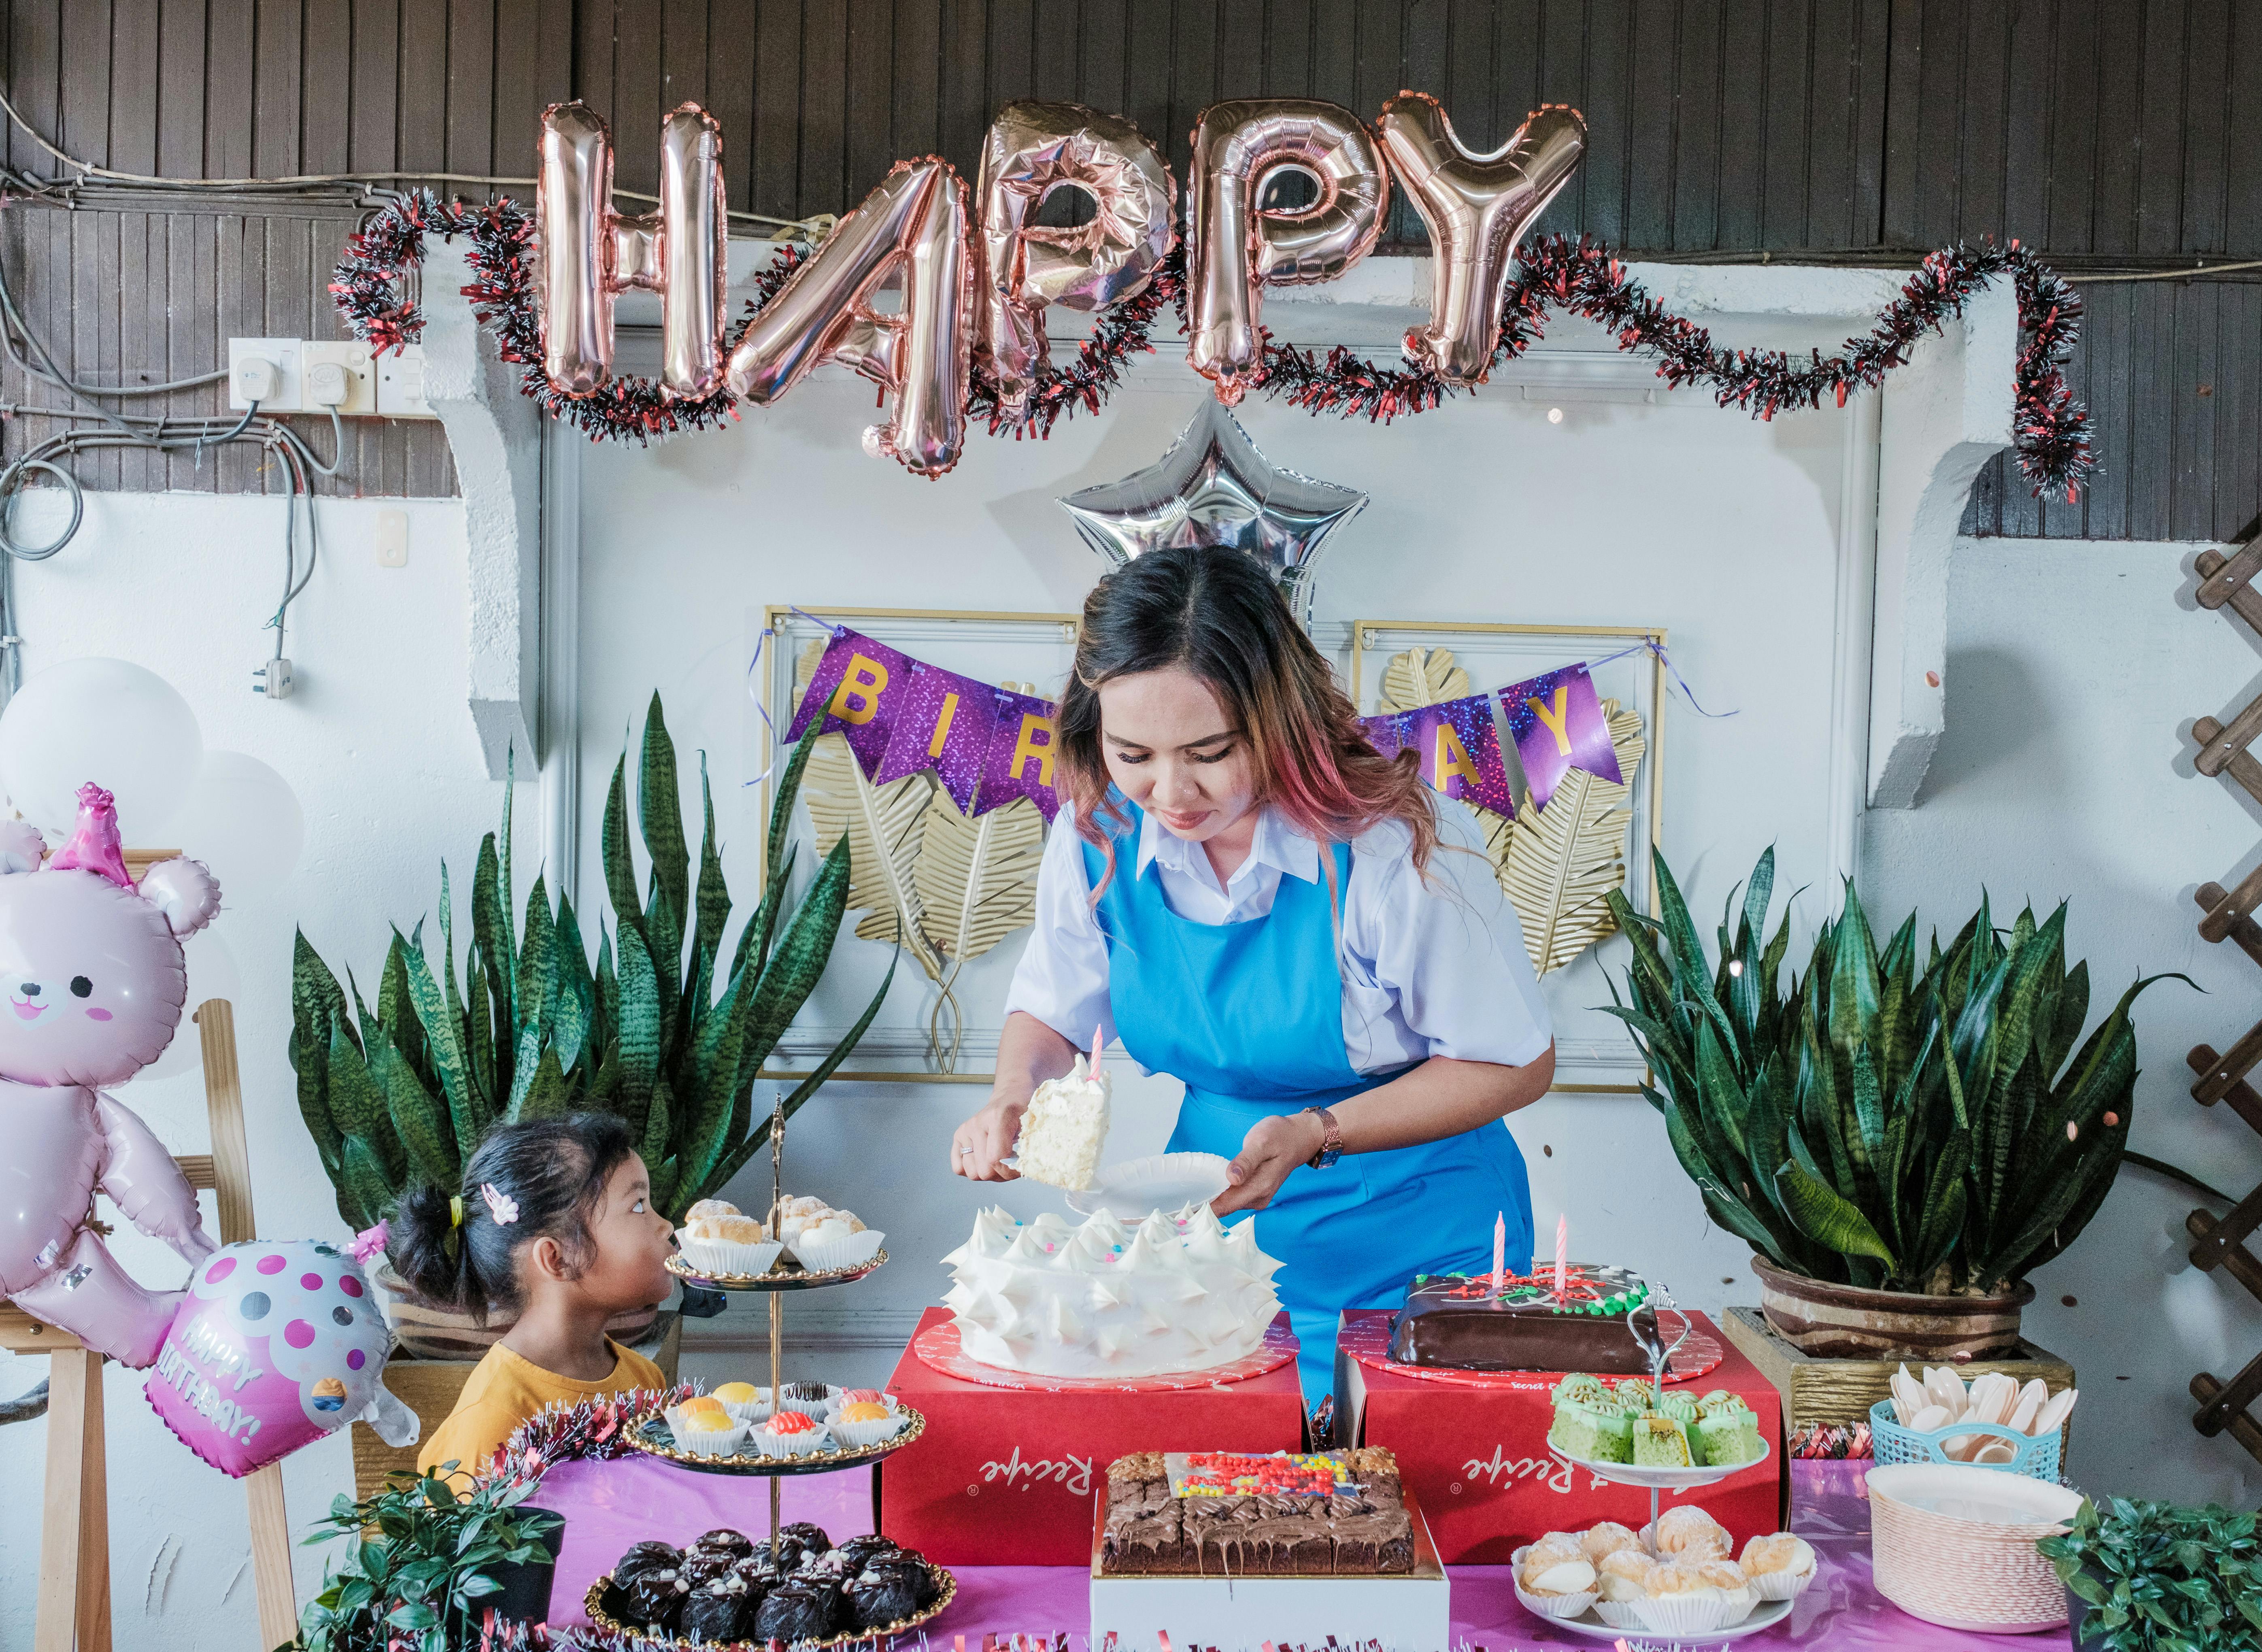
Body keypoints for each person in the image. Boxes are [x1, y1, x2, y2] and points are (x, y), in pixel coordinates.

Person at [951, 545, 1556, 1411]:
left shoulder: (1392, 846)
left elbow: (1514, 1063)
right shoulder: (1098, 832)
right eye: (1132, 752)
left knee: (1393, 1509)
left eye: (1208, 751)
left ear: (1277, 719)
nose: (1170, 790)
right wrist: (1014, 1091)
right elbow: (1056, 1006)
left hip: (1419, 1245)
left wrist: (1316, 1130)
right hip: (1211, 1247)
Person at [394, 1112, 676, 1488]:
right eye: (639, 1205)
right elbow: (455, 1544)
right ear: (557, 1259)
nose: (667, 1225)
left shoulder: (645, 1379)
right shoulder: (492, 1418)